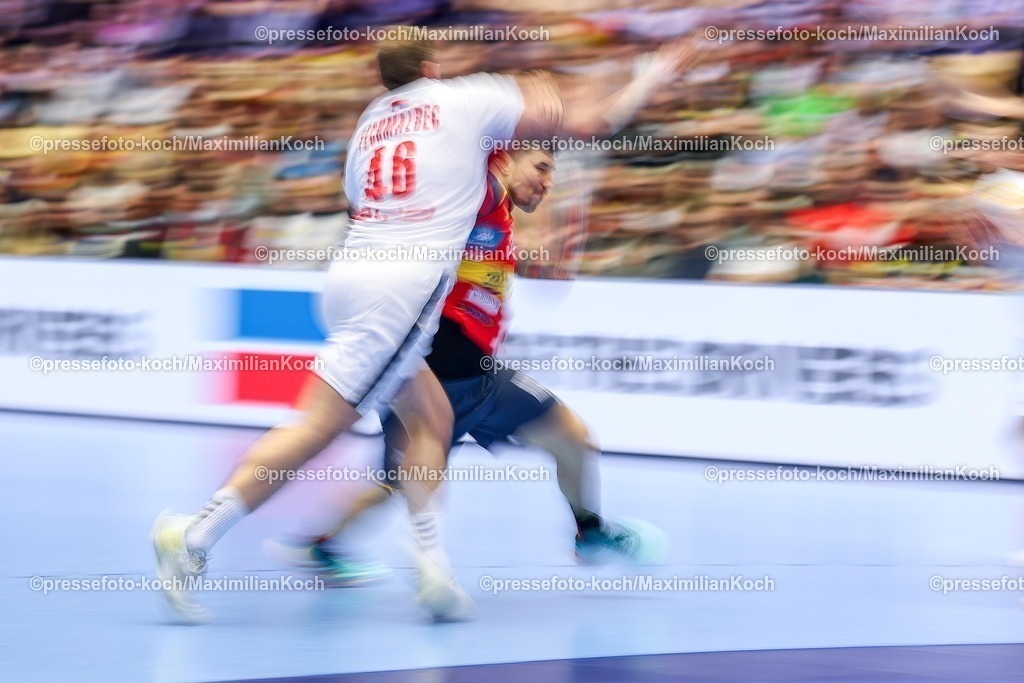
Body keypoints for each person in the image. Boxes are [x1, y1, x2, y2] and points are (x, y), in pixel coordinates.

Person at [153, 33, 703, 623]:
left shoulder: (372, 124)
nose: (546, 174)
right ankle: (195, 535)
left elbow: (365, 204)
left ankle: (434, 572)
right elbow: (585, 119)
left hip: (353, 274)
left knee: (431, 419)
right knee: (317, 427)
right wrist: (650, 73)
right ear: (433, 68)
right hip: (402, 292)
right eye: (540, 163)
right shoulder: (469, 108)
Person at [268, 147, 665, 590]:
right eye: (541, 167)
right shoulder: (475, 193)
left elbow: (480, 262)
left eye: (552, 171)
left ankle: (589, 533)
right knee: (397, 485)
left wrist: (532, 261)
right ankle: (326, 546)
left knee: (572, 439)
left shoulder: (500, 217)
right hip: (428, 379)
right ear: (503, 162)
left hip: (480, 379)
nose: (548, 181)